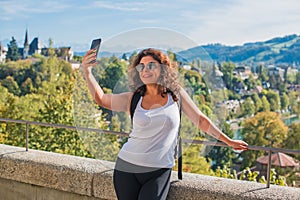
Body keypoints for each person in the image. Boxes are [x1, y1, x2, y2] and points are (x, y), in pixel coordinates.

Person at [81, 48, 248, 200]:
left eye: (151, 65)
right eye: (141, 67)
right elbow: (101, 99)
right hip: (127, 168)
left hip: (158, 171)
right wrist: (88, 72)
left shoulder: (176, 96)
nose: (145, 70)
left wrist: (229, 141)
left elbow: (201, 120)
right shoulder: (134, 98)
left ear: (163, 68)